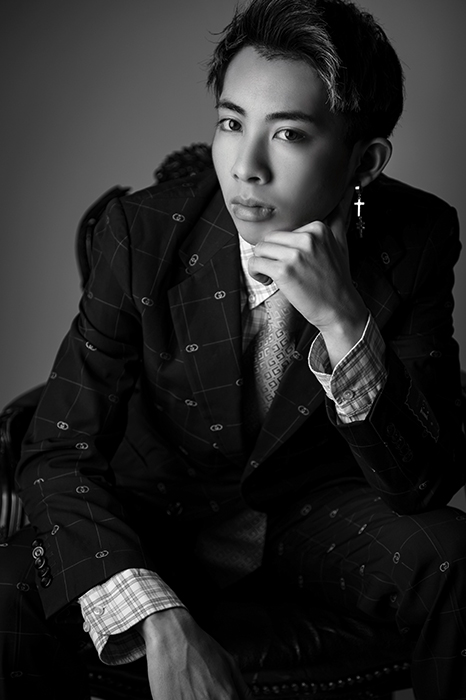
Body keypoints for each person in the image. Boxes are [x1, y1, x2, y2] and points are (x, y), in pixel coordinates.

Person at [1, 0, 465, 698]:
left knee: (456, 559)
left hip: (311, 516)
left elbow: (421, 483)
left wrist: (344, 321)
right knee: (7, 585)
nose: (246, 167)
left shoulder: (417, 236)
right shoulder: (142, 232)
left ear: (364, 162)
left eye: (289, 134)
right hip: (157, 514)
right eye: (231, 123)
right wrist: (155, 615)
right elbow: (57, 449)